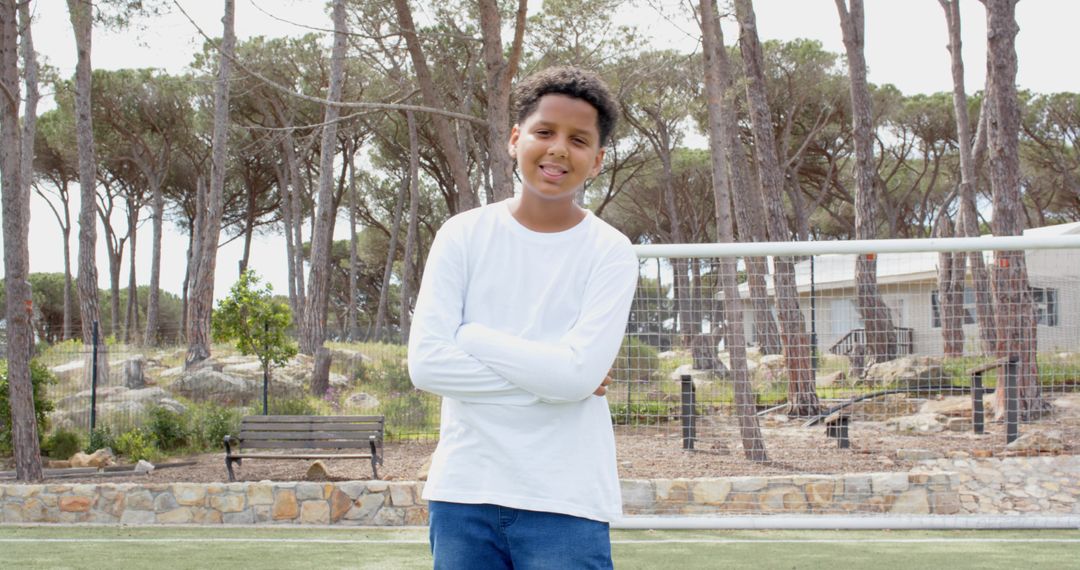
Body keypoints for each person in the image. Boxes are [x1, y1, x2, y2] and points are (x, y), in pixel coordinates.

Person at [407, 66, 639, 569]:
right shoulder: (461, 234)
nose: (558, 149)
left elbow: (577, 377)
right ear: (516, 139)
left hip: (566, 501)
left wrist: (472, 337)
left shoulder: (611, 251)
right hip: (464, 494)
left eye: (578, 140)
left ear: (597, 161)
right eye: (544, 132)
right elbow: (426, 366)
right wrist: (560, 378)